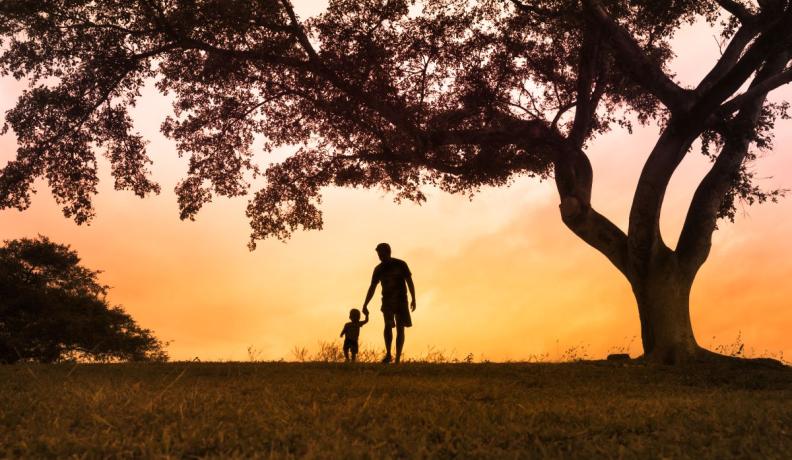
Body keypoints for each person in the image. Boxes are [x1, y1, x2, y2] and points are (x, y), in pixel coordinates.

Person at [362, 243, 416, 364]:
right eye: (378, 254)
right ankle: (388, 354)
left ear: (388, 252)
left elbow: (409, 282)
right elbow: (372, 287)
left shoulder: (401, 264)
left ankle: (397, 358)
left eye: (381, 254)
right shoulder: (378, 269)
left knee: (400, 328)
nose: (380, 256)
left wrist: (413, 298)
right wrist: (365, 304)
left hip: (401, 300)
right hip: (387, 301)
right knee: (388, 325)